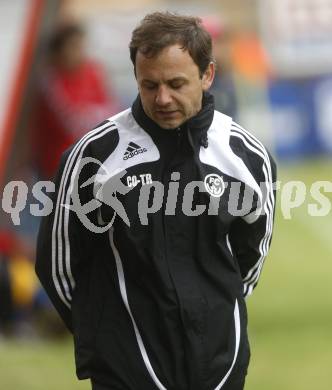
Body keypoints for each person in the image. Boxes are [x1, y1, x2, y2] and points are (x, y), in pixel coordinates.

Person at [36, 12, 276, 390]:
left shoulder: (245, 156)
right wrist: (105, 334)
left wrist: (210, 308)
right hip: (124, 369)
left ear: (207, 75)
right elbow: (57, 264)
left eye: (176, 83)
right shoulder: (94, 155)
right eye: (149, 85)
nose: (162, 98)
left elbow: (249, 258)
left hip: (219, 364)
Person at [32, 23, 120, 179]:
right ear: (57, 53)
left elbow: (113, 114)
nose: (80, 52)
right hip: (59, 167)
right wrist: (95, 114)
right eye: (73, 47)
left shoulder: (92, 70)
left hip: (93, 163)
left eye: (81, 45)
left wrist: (91, 114)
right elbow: (75, 124)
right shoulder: (50, 81)